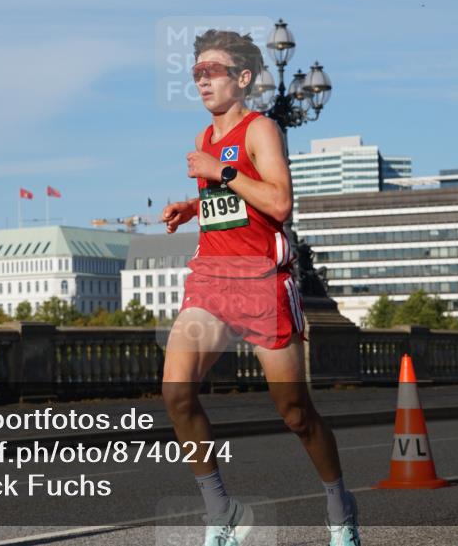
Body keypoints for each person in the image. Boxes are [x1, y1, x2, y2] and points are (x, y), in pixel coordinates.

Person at [160, 29, 360, 546]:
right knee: (177, 392)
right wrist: (193, 205)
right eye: (196, 72)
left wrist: (220, 173)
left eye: (213, 71)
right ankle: (220, 511)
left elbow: (279, 205)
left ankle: (339, 507)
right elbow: (229, 202)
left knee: (295, 413)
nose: (202, 80)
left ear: (243, 78)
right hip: (212, 279)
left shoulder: (260, 129)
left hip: (261, 282)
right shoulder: (204, 138)